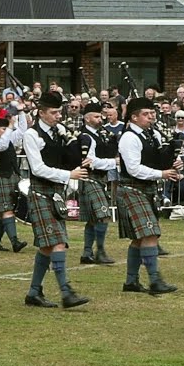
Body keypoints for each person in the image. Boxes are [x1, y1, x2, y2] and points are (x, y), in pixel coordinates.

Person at [20, 91, 90, 309]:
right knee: (57, 242)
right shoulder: (32, 135)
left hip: (56, 194)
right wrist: (69, 175)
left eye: (60, 112)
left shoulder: (60, 131)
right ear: (41, 113)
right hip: (40, 193)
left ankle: (34, 292)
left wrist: (80, 155)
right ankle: (66, 292)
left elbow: (66, 159)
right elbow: (38, 169)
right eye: (54, 112)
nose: (59, 116)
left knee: (47, 246)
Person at [116, 97, 180, 295]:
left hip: (146, 189)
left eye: (152, 113)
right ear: (134, 117)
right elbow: (134, 169)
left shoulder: (152, 135)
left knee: (139, 238)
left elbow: (157, 160)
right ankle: (154, 281)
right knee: (150, 233)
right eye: (146, 114)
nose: (151, 116)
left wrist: (172, 164)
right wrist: (162, 174)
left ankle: (131, 282)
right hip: (132, 188)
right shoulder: (129, 138)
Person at [75, 104, 117, 265]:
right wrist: (114, 162)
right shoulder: (85, 136)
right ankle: (100, 251)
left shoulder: (99, 134)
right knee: (103, 215)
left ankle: (87, 253)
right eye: (96, 117)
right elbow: (91, 161)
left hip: (99, 178)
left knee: (93, 219)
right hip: (90, 177)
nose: (100, 119)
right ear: (87, 119)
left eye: (100, 116)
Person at [0, 113, 29, 253]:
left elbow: (22, 130)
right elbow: (3, 146)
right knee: (6, 210)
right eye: (3, 129)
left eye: (6, 128)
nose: (6, 131)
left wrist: (21, 112)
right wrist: (10, 126)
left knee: (4, 211)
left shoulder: (9, 138)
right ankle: (15, 242)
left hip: (11, 177)